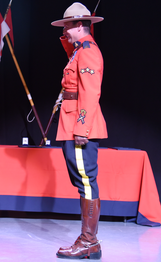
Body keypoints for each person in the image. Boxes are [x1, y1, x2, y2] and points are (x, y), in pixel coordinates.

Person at [51, 2, 108, 260]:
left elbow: (90, 92)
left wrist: (82, 127)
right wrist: (67, 40)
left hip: (80, 124)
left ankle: (89, 241)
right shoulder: (78, 51)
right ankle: (88, 240)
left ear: (79, 25)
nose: (65, 31)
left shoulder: (88, 51)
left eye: (67, 26)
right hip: (71, 121)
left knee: (86, 182)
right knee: (81, 182)